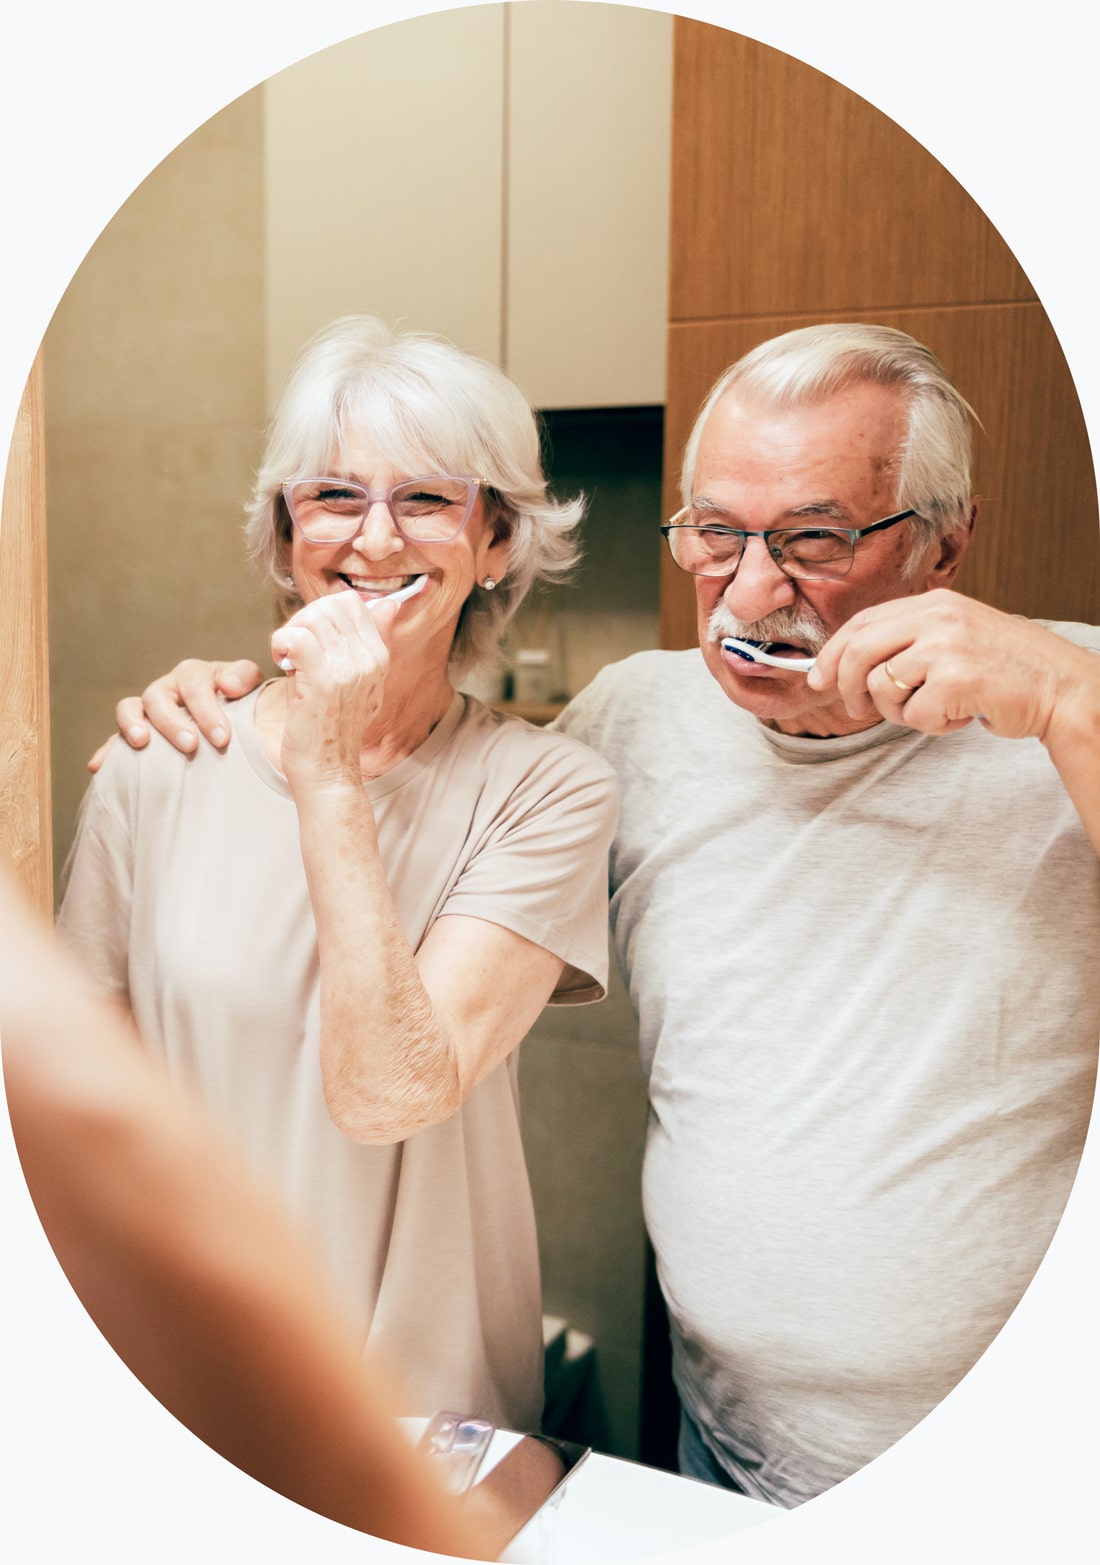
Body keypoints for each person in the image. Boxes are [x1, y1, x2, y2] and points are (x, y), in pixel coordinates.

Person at [96, 323, 1100, 1507]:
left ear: (946, 537)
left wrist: (1071, 703)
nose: (755, 589)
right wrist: (226, 720)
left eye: (814, 538)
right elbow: (423, 787)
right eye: (715, 537)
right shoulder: (636, 721)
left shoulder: (1062, 698)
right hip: (730, 1442)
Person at [58, 314, 619, 1435]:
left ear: (497, 540)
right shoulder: (156, 764)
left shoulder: (546, 791)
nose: (372, 538)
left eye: (425, 499)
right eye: (331, 496)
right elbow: (74, 1119)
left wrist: (329, 773)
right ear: (283, 534)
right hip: (185, 1386)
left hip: (426, 1413)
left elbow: (389, 1092)